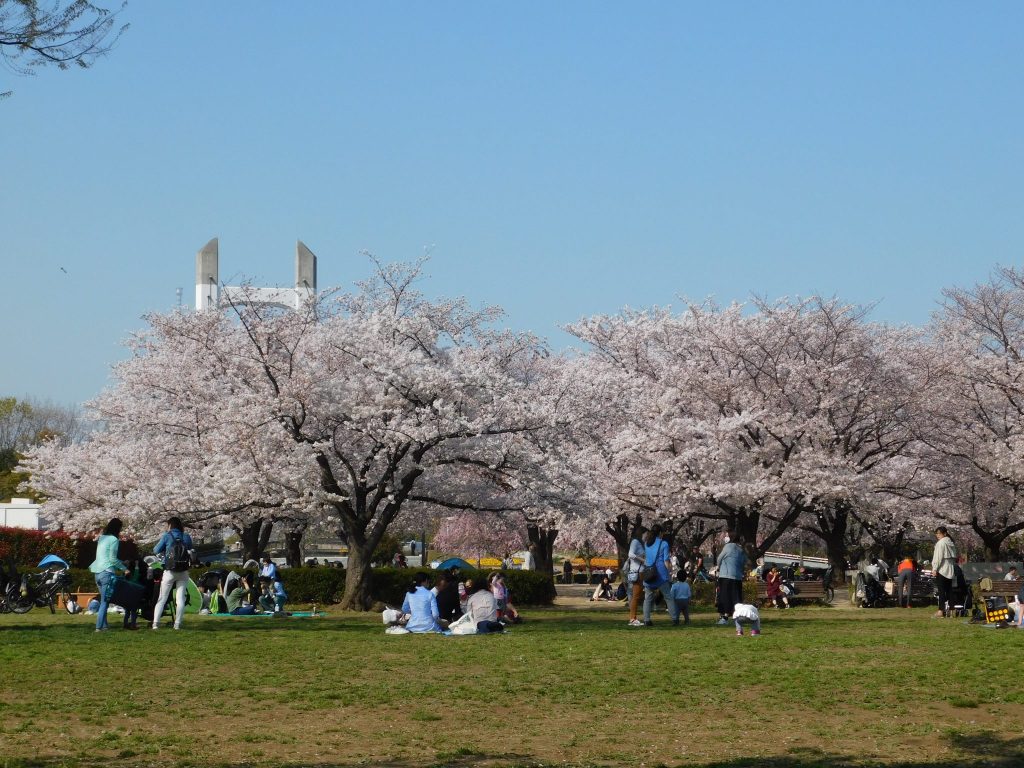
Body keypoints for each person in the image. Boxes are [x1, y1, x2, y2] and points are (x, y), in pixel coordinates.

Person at [151, 516, 195, 630]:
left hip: (169, 570)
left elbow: (155, 550)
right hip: (183, 571)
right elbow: (191, 549)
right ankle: (177, 624)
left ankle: (155, 623)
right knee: (180, 599)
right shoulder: (186, 536)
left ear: (170, 525)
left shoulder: (167, 536)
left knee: (162, 598)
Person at [88, 518, 128, 632]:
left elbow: (105, 557)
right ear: (118, 528)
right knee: (105, 602)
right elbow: (112, 559)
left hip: (97, 572)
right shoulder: (114, 540)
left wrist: (121, 563)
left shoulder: (102, 538)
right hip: (107, 573)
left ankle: (105, 626)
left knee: (103, 601)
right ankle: (98, 627)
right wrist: (124, 569)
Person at [641, 524, 679, 626]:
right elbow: (666, 561)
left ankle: (646, 620)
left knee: (648, 598)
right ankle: (674, 619)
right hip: (661, 575)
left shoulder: (647, 543)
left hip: (649, 574)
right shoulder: (664, 544)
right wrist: (671, 570)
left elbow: (646, 558)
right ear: (660, 533)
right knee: (668, 597)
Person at [715, 532, 747, 625]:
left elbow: (719, 559)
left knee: (725, 597)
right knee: (736, 598)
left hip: (726, 576)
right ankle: (737, 617)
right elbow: (744, 561)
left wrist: (719, 566)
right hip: (737, 577)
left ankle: (724, 618)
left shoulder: (728, 546)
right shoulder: (741, 549)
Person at [931, 526, 958, 618]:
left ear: (944, 533)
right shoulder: (950, 542)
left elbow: (938, 557)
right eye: (937, 533)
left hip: (942, 568)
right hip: (950, 567)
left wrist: (935, 568)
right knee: (949, 590)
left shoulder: (941, 543)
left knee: (941, 591)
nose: (937, 535)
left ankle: (940, 611)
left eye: (939, 533)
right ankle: (952, 610)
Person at [625, 527, 646, 627]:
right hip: (637, 571)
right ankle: (633, 618)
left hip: (640, 571)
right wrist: (642, 560)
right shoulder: (635, 542)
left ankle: (633, 617)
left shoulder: (640, 543)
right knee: (636, 596)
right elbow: (631, 554)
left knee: (637, 596)